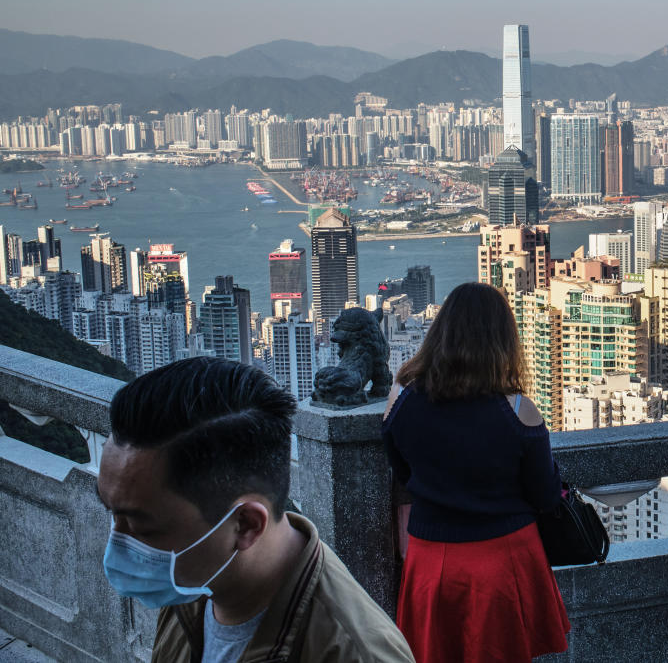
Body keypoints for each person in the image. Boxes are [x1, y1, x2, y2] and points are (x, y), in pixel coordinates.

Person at [97, 357, 414, 662]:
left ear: (246, 524)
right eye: (113, 514)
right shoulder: (192, 589)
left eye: (145, 529)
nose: (118, 543)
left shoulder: (354, 653)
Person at [383, 281, 570, 663]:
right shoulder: (519, 409)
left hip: (429, 558)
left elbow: (402, 470)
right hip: (503, 561)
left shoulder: (401, 399)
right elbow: (546, 496)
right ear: (503, 340)